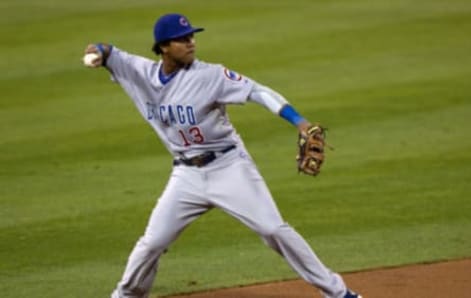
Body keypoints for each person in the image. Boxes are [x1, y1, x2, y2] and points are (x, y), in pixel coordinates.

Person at [84, 13, 362, 298]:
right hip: (186, 175)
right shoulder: (138, 71)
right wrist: (98, 51)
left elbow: (257, 91)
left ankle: (338, 293)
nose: (191, 43)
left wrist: (299, 122)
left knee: (274, 230)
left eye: (192, 36)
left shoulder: (210, 75)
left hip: (229, 166)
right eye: (182, 39)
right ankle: (126, 295)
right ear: (164, 46)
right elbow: (110, 52)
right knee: (152, 243)